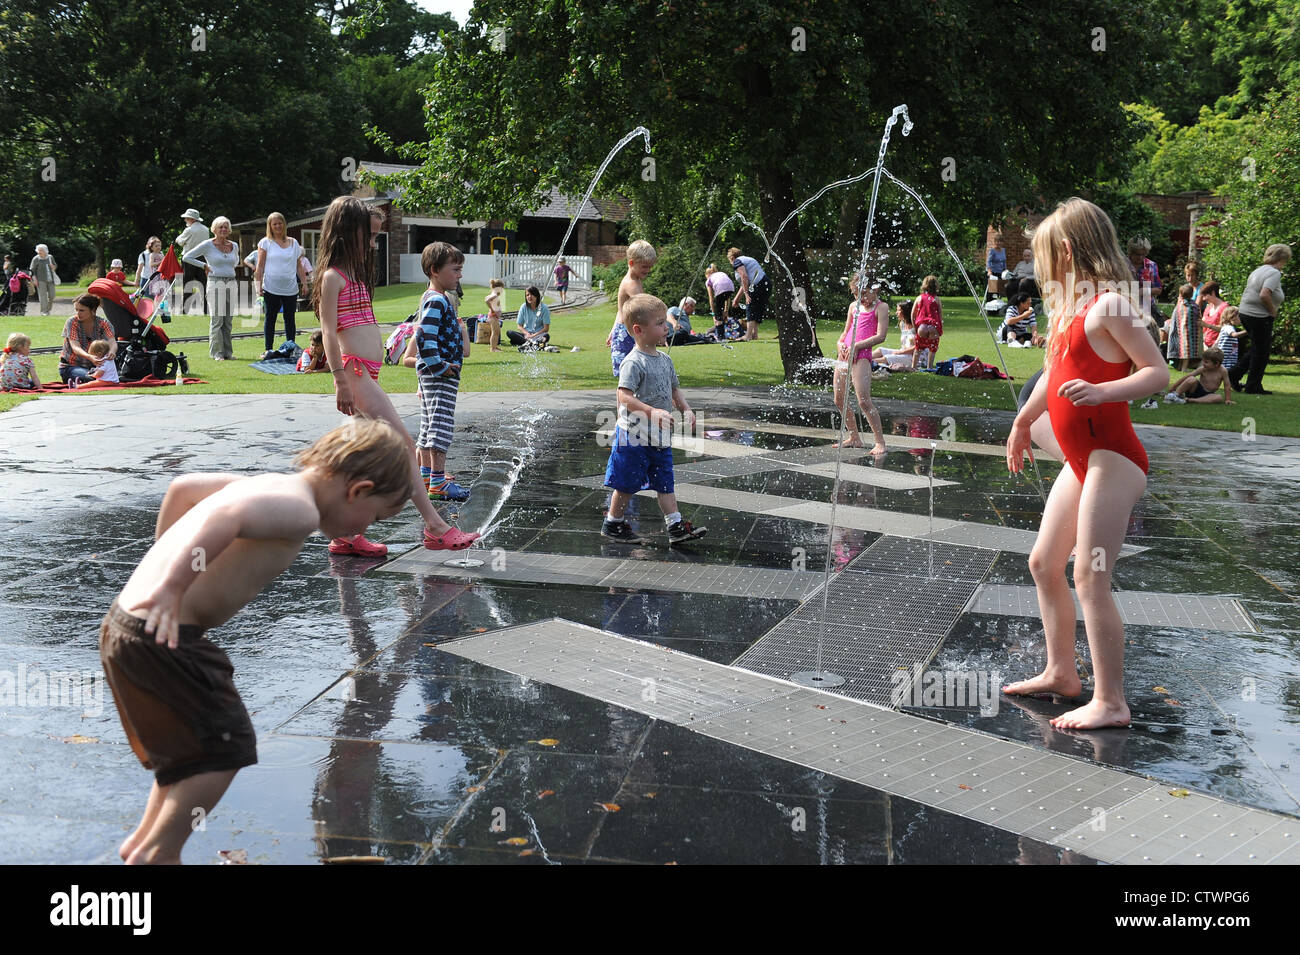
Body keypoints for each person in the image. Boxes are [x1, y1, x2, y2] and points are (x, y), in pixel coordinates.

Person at [99, 418, 413, 864]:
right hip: (165, 636)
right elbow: (227, 517)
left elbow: (184, 489)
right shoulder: (298, 509)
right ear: (358, 490)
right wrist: (172, 587)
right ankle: (160, 852)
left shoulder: (269, 485)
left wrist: (162, 564)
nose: (367, 526)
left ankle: (145, 845)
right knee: (225, 748)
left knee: (190, 753)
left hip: (129, 624)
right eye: (377, 516)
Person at [1005, 197, 1169, 730]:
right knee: (1043, 564)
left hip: (1113, 460)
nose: (1038, 269)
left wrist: (1104, 390)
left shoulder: (1109, 307)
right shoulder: (1067, 310)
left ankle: (1111, 700)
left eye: (1043, 257)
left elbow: (1156, 372)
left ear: (1068, 251)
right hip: (1081, 463)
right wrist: (1023, 422)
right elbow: (1053, 375)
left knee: (1090, 575)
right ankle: (1061, 673)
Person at [312, 195, 480, 554]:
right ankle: (435, 526)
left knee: (361, 457)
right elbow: (328, 332)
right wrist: (340, 379)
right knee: (404, 445)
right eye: (370, 236)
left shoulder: (355, 274)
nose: (374, 244)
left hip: (367, 373)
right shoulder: (331, 277)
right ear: (347, 232)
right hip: (354, 372)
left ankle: (345, 533)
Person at [600, 293, 706, 545]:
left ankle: (675, 526)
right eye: (659, 323)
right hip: (634, 435)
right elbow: (623, 397)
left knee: (665, 482)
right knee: (626, 483)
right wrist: (653, 412)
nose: (666, 326)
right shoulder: (633, 363)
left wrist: (687, 409)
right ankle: (613, 523)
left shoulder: (665, 360)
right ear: (638, 330)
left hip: (659, 437)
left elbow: (674, 389)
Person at [409, 242, 472, 503]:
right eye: (455, 269)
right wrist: (440, 366)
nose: (459, 275)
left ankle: (426, 477)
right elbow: (424, 337)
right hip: (439, 376)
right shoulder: (437, 300)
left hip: (434, 375)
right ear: (435, 270)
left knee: (428, 426)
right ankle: (437, 483)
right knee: (441, 427)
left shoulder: (431, 297)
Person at [831, 275, 888, 454]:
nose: (860, 298)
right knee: (839, 399)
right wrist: (840, 344)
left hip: (862, 356)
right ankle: (854, 437)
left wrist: (857, 345)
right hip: (844, 355)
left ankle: (880, 442)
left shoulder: (881, 307)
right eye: (856, 294)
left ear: (875, 289)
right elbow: (846, 332)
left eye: (863, 293)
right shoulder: (853, 307)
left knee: (863, 401)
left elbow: (881, 336)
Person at [1230, 243, 1291, 395]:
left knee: (1258, 348)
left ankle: (1234, 374)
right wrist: (1272, 311)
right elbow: (1264, 294)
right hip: (1258, 315)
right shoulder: (1274, 273)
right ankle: (1253, 385)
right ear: (1282, 259)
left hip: (1245, 313)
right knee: (1262, 353)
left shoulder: (1259, 270)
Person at [183, 216, 241, 361]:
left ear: (229, 230)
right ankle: (216, 353)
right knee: (217, 320)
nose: (223, 229)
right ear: (214, 229)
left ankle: (228, 352)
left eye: (226, 227)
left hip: (231, 282)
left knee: (228, 320)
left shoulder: (234, 245)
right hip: (215, 282)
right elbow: (187, 257)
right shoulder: (208, 244)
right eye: (220, 227)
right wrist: (204, 265)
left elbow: (236, 260)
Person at [255, 212, 308, 360]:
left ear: (284, 224)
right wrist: (257, 286)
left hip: (290, 288)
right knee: (270, 318)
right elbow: (259, 267)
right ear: (270, 226)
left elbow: (299, 265)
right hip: (271, 287)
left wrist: (304, 283)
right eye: (274, 224)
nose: (278, 226)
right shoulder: (265, 242)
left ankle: (291, 349)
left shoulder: (294, 242)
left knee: (289, 318)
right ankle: (268, 349)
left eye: (280, 223)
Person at [607, 240, 656, 373]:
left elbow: (620, 310)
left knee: (634, 374)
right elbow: (645, 307)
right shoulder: (631, 284)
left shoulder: (636, 280)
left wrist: (614, 329)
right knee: (629, 374)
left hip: (624, 331)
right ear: (631, 263)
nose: (648, 270)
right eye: (644, 266)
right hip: (626, 334)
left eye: (650, 266)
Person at [58, 293, 117, 385]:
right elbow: (75, 347)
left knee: (110, 376)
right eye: (76, 310)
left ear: (93, 310)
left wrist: (112, 352)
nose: (78, 313)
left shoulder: (103, 323)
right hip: (71, 366)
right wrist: (90, 357)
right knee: (93, 378)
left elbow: (112, 342)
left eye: (82, 310)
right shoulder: (72, 322)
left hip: (95, 366)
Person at [727, 247, 770, 340]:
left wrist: (746, 294)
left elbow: (744, 277)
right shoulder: (748, 259)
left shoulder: (737, 261)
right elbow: (745, 282)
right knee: (758, 308)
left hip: (757, 284)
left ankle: (748, 335)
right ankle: (754, 334)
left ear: (732, 257)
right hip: (766, 283)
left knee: (750, 306)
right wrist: (737, 299)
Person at [1165, 347, 1232, 404]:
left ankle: (1192, 400)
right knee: (1191, 379)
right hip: (1195, 390)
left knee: (1218, 397)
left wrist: (1227, 399)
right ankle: (1175, 395)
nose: (1203, 364)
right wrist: (1174, 386)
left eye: (1206, 362)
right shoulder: (1203, 369)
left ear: (1216, 364)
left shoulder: (1223, 371)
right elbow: (1187, 376)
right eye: (1203, 361)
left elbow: (1227, 385)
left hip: (1207, 394)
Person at [176, 209, 211, 315]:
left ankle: (185, 310)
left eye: (186, 218)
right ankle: (206, 309)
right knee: (204, 284)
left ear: (191, 219)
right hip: (202, 258)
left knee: (187, 284)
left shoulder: (189, 230)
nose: (185, 220)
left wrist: (178, 239)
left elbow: (180, 242)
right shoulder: (205, 229)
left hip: (188, 258)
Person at [910, 274, 944, 369]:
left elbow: (913, 314)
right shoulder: (937, 299)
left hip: (922, 327)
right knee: (932, 349)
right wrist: (940, 328)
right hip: (933, 326)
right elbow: (940, 316)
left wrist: (915, 327)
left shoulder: (919, 298)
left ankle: (914, 367)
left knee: (918, 349)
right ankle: (929, 367)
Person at [1165, 283, 1202, 371]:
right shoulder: (1195, 307)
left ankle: (1182, 366)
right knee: (1186, 349)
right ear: (1192, 294)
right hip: (1190, 334)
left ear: (1181, 295)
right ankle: (1184, 367)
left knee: (1182, 348)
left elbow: (1175, 319)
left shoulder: (1179, 307)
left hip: (1180, 333)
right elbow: (1198, 318)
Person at [1126, 236, 1162, 319]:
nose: (1140, 257)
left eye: (1143, 254)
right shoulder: (1122, 265)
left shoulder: (1151, 266)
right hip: (1126, 308)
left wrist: (1143, 291)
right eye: (1137, 254)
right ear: (1130, 252)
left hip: (1147, 310)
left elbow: (1158, 289)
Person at [507, 285, 551, 351]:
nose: (529, 297)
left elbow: (546, 328)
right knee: (509, 333)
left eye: (532, 294)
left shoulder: (544, 308)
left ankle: (528, 344)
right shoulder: (523, 307)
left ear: (536, 296)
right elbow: (519, 326)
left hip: (539, 334)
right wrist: (527, 333)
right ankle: (533, 344)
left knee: (546, 336)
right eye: (527, 295)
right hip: (527, 335)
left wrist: (533, 336)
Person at [1212, 306, 1245, 373]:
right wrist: (1248, 331)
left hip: (1229, 357)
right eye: (1239, 316)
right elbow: (1235, 335)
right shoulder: (1228, 327)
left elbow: (1218, 341)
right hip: (1226, 358)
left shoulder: (1228, 327)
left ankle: (1230, 383)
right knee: (1226, 373)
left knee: (1228, 373)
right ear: (1231, 317)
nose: (1241, 319)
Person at [704, 263, 735, 336]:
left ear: (707, 274)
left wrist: (714, 315)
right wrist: (726, 310)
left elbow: (711, 300)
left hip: (720, 288)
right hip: (731, 288)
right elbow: (727, 298)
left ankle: (720, 336)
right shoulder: (721, 273)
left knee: (718, 316)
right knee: (721, 311)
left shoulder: (708, 280)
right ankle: (723, 330)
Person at [29, 244, 59, 316]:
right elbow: (31, 270)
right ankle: (44, 311)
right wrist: (34, 279)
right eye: (38, 250)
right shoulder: (36, 259)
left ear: (45, 251)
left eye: (41, 250)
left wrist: (53, 267)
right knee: (43, 296)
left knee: (52, 295)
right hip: (40, 280)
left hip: (50, 279)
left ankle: (48, 309)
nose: (39, 252)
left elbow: (55, 266)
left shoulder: (50, 257)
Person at [1198, 281, 1229, 351]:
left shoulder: (1224, 307)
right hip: (1205, 345)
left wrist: (1215, 346)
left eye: (1205, 295)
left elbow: (1225, 329)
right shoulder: (1208, 307)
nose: (1203, 299)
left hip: (1218, 347)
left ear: (1213, 293)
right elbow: (1203, 329)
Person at [483, 278, 505, 352]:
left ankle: (495, 346)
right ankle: (493, 348)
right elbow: (486, 300)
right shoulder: (495, 294)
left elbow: (486, 297)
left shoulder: (494, 294)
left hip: (494, 316)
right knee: (495, 332)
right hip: (493, 316)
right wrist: (492, 309)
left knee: (497, 332)